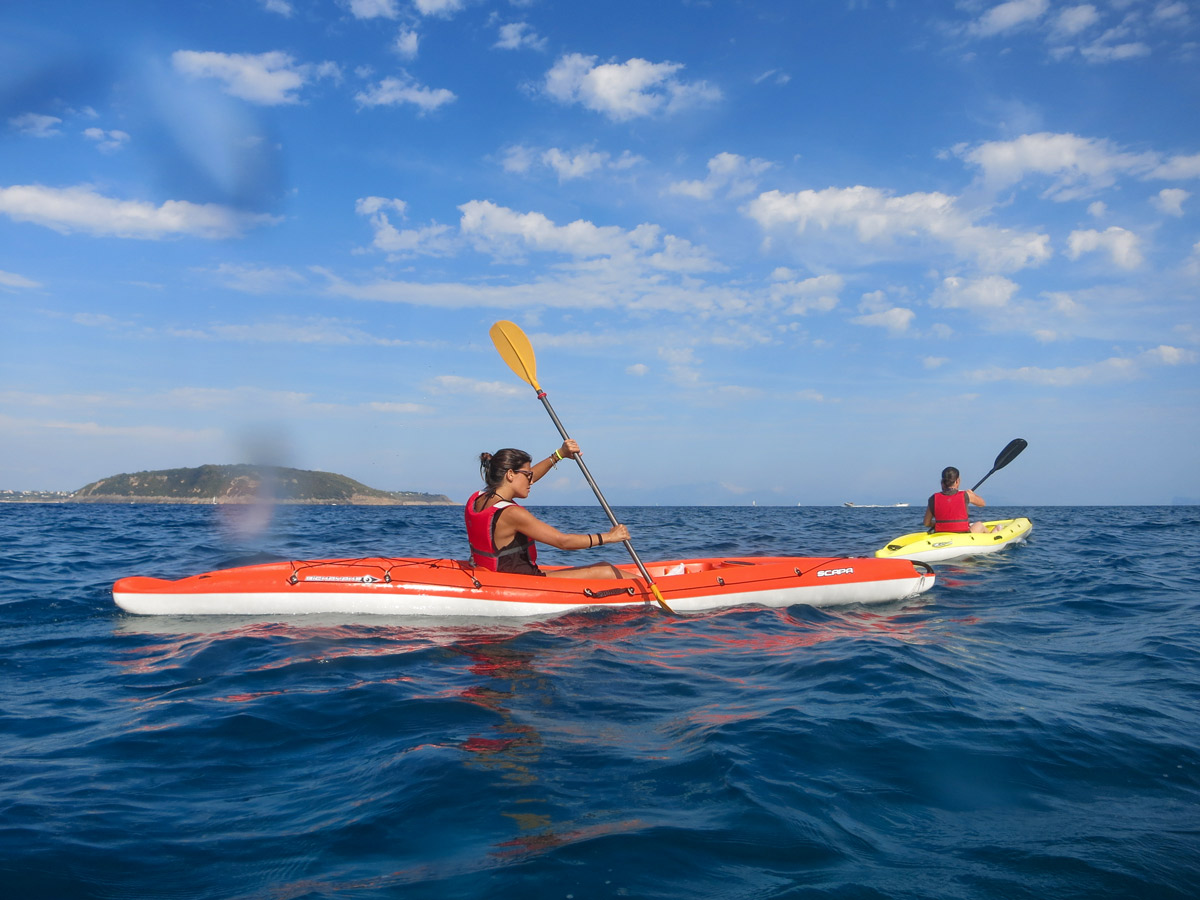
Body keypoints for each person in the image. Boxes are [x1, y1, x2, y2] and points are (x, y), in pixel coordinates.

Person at [465, 440, 635, 579]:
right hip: (522, 582)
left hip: (497, 576)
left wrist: (559, 454)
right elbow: (563, 542)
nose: (531, 481)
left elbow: (527, 477)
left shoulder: (478, 499)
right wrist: (609, 537)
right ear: (510, 474)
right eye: (527, 475)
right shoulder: (512, 513)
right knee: (605, 569)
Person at [923, 466, 994, 534]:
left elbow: (926, 523)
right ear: (957, 481)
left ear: (942, 482)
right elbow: (982, 503)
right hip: (963, 534)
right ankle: (994, 533)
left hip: (941, 533)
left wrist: (938, 524)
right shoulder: (966, 495)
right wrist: (972, 494)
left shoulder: (933, 498)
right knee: (979, 525)